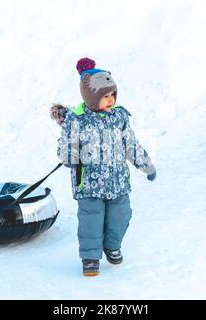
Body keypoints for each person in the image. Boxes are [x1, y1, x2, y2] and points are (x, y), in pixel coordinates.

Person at [51, 57, 156, 276]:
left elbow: (131, 145)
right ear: (90, 96)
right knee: (91, 220)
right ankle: (90, 257)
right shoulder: (77, 120)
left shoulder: (119, 117)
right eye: (104, 96)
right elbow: (67, 145)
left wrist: (146, 165)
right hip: (89, 184)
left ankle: (112, 245)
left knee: (122, 215)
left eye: (112, 95)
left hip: (118, 182)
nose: (110, 100)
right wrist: (70, 156)